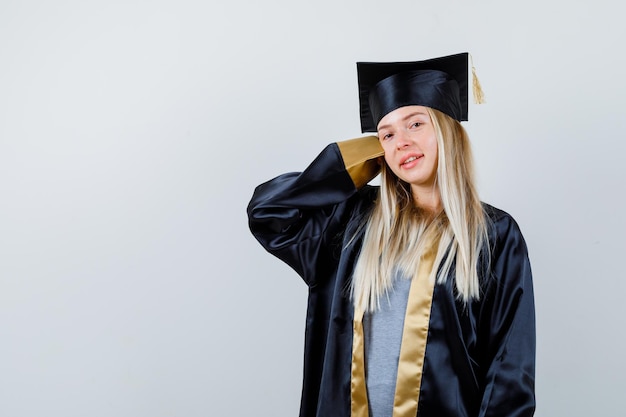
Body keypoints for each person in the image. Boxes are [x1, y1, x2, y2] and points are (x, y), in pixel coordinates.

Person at [247, 52, 535, 417]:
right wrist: (359, 158)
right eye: (387, 133)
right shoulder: (353, 222)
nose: (401, 142)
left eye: (415, 124)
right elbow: (269, 213)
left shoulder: (494, 234)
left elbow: (509, 368)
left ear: (447, 129)